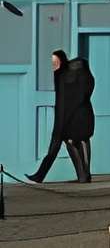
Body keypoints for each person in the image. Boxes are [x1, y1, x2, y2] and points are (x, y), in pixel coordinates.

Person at [31, 48, 92, 182]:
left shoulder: (70, 76)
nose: (53, 65)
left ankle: (84, 176)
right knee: (72, 143)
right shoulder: (62, 76)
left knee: (77, 142)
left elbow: (75, 98)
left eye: (55, 62)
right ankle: (83, 176)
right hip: (68, 119)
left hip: (76, 118)